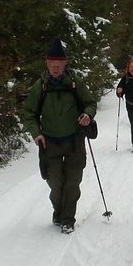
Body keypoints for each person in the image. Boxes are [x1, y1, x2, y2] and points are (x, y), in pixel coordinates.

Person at [22, 37, 97, 234]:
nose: (55, 69)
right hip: (49, 142)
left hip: (74, 140)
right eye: (52, 65)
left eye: (59, 65)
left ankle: (67, 219)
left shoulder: (74, 83)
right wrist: (36, 134)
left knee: (72, 183)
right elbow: (29, 113)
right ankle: (59, 212)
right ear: (47, 64)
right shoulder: (41, 86)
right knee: (55, 183)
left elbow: (90, 103)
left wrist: (87, 116)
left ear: (65, 64)